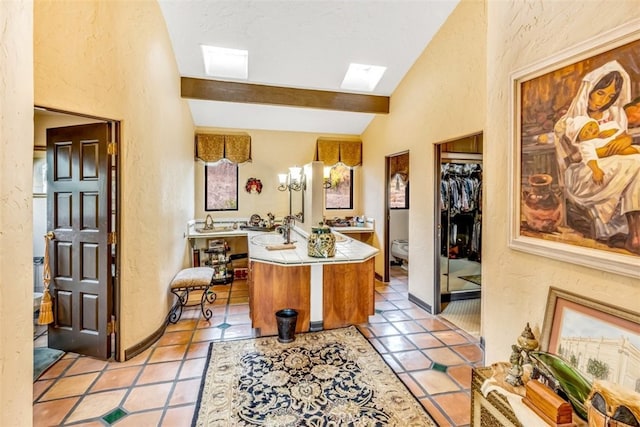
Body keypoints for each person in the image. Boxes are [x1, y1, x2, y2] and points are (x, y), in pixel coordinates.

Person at [554, 60, 640, 254]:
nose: (604, 100)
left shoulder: (616, 113)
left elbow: (622, 134)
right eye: (600, 93)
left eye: (611, 95)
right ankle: (635, 235)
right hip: (584, 174)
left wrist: (624, 142)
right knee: (637, 162)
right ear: (590, 91)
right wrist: (609, 149)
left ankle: (635, 235)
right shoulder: (570, 121)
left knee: (637, 163)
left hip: (617, 165)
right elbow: (575, 157)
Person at [566, 115, 640, 185]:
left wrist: (614, 131)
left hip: (620, 146)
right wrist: (596, 170)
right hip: (611, 155)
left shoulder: (606, 127)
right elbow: (589, 157)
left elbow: (621, 133)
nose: (591, 131)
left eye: (591, 126)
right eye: (586, 133)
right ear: (581, 140)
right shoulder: (586, 143)